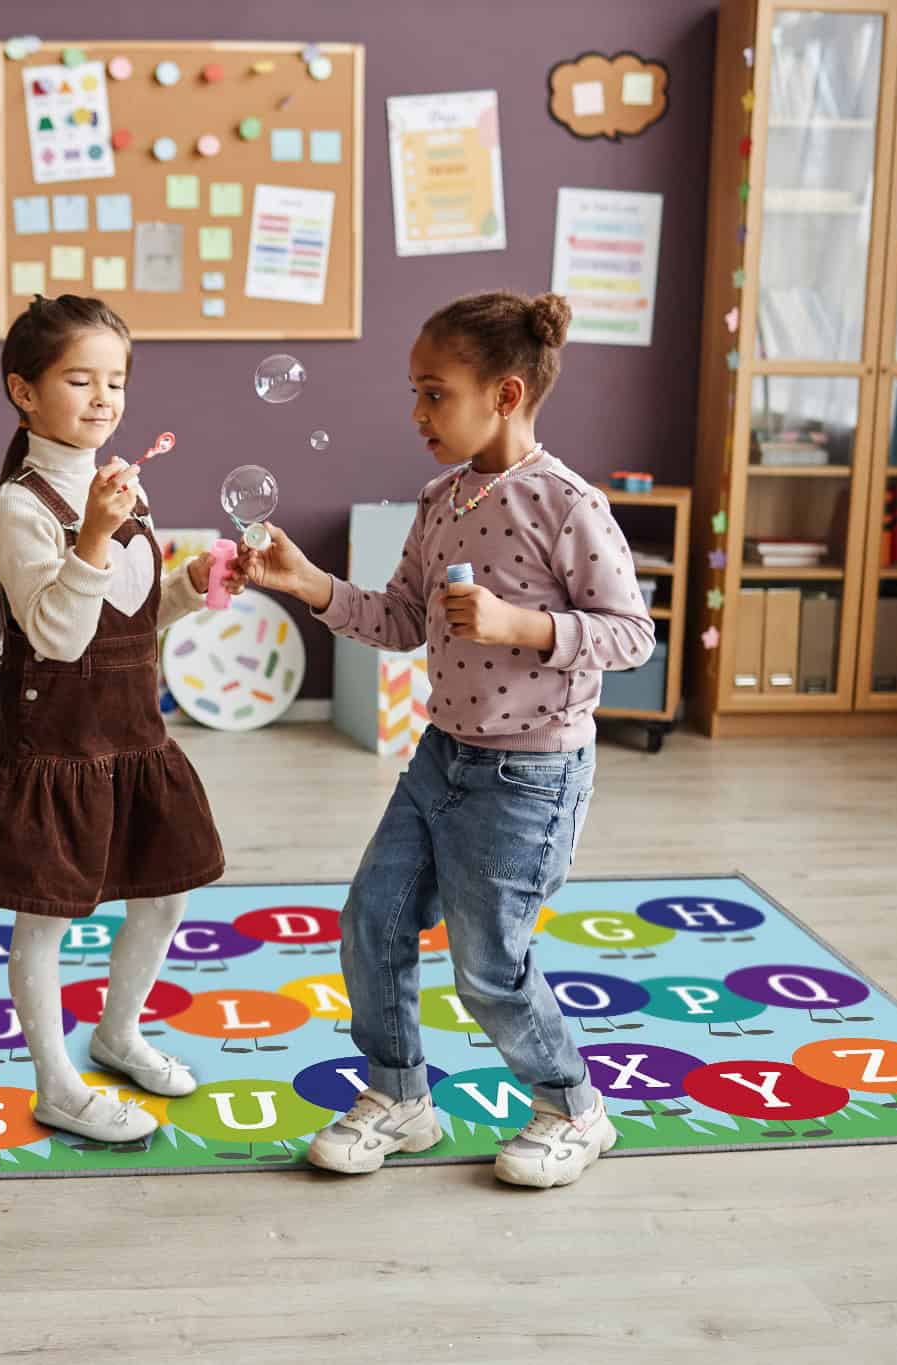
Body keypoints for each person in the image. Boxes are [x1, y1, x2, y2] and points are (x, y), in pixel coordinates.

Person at [242, 290, 655, 1187]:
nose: (418, 413)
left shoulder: (567, 503)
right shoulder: (440, 498)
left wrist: (521, 625)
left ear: (505, 395)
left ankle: (574, 1108)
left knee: (490, 965)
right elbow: (400, 618)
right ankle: (400, 1096)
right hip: (440, 758)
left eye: (436, 394)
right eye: (416, 393)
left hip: (531, 774)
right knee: (372, 920)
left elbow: (632, 634)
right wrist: (309, 583)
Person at [0, 294, 240, 1143]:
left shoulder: (121, 487)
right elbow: (57, 635)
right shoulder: (18, 507)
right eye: (79, 379)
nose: (102, 398)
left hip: (132, 734)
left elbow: (131, 616)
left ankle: (118, 1032)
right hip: (57, 745)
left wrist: (194, 585)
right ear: (24, 392)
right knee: (46, 916)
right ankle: (56, 1083)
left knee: (164, 896)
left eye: (115, 381)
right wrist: (92, 533)